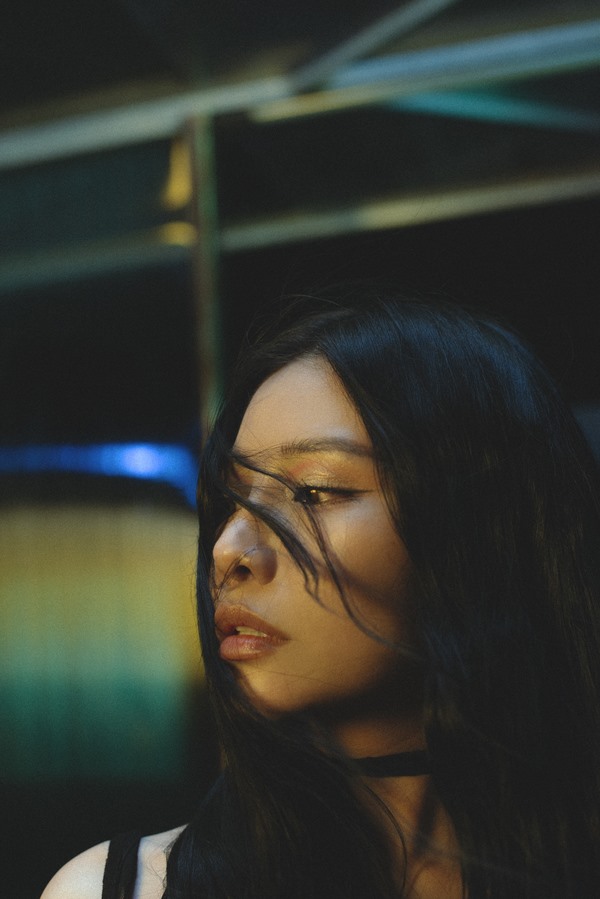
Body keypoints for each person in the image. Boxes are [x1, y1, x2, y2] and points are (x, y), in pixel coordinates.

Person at [42, 292, 600, 899]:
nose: (228, 550)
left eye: (315, 492)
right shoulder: (118, 889)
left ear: (479, 526)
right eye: (231, 500)